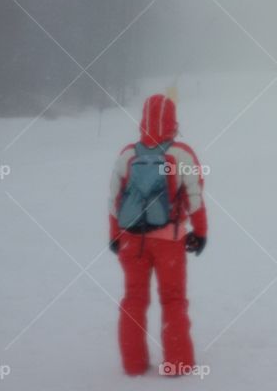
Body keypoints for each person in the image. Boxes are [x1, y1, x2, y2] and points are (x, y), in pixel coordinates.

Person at [109, 94, 208, 377]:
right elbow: (195, 198)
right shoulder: (182, 154)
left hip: (131, 239)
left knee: (133, 299)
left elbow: (113, 199)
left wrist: (115, 235)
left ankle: (134, 363)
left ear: (143, 119)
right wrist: (200, 233)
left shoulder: (127, 155)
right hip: (170, 240)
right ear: (173, 121)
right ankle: (177, 363)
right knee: (173, 300)